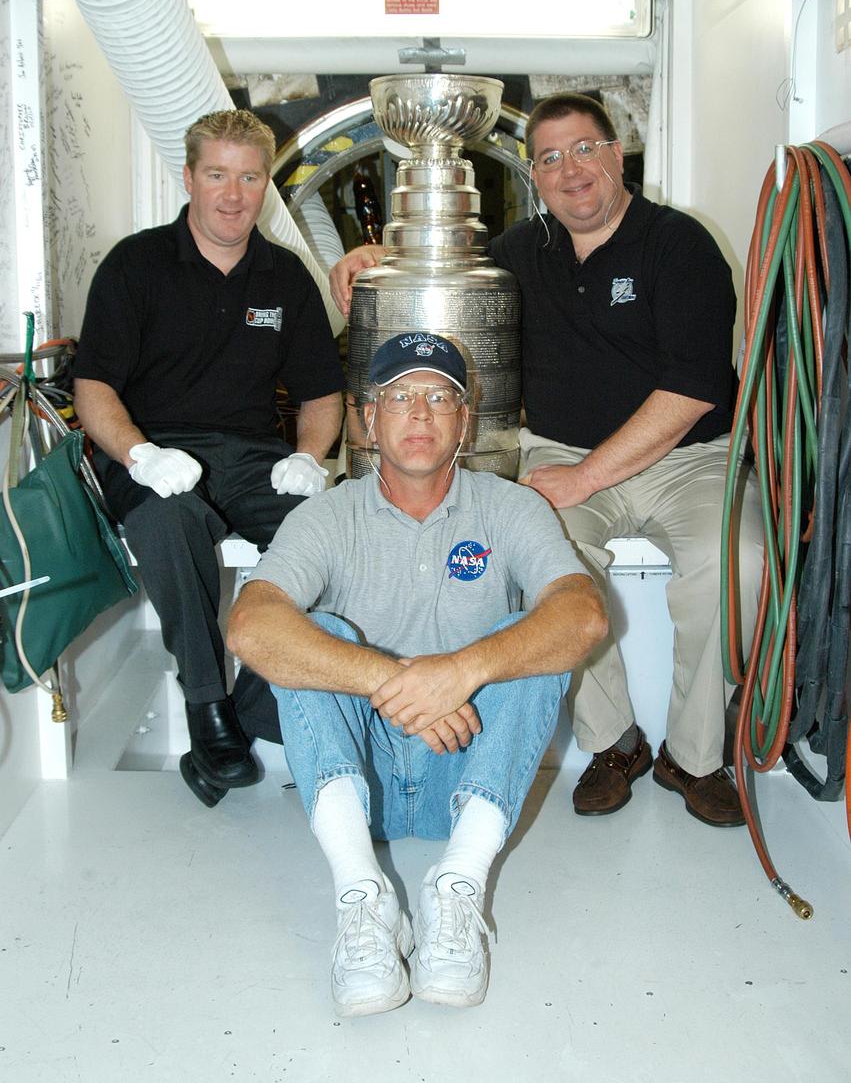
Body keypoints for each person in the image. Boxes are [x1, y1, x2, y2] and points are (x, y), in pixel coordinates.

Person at [329, 92, 764, 829]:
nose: (572, 170)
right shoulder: (518, 255)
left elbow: (691, 392)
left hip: (686, 458)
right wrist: (378, 260)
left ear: (615, 156)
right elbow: (444, 290)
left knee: (740, 562)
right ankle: (611, 742)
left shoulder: (678, 245)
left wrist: (588, 477)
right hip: (562, 450)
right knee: (544, 569)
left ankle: (695, 756)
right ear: (535, 175)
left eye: (585, 149)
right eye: (551, 158)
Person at [227, 332, 607, 1016]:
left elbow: (583, 617)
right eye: (399, 397)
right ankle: (363, 898)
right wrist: (391, 680)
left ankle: (457, 888)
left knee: (530, 638)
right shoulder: (325, 516)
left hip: (466, 776)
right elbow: (250, 625)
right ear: (367, 419)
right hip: (355, 785)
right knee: (315, 634)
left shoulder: (512, 507)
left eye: (440, 398)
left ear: (467, 420)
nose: (420, 414)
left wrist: (459, 671)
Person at [74, 109, 345, 806]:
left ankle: (252, 704)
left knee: (333, 534)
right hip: (153, 451)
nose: (233, 194)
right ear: (189, 177)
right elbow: (94, 388)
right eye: (217, 175)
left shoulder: (284, 277)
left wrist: (310, 459)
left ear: (265, 186)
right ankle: (207, 709)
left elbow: (321, 394)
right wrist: (139, 455)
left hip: (254, 456)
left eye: (249, 177)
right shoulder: (135, 265)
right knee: (170, 525)